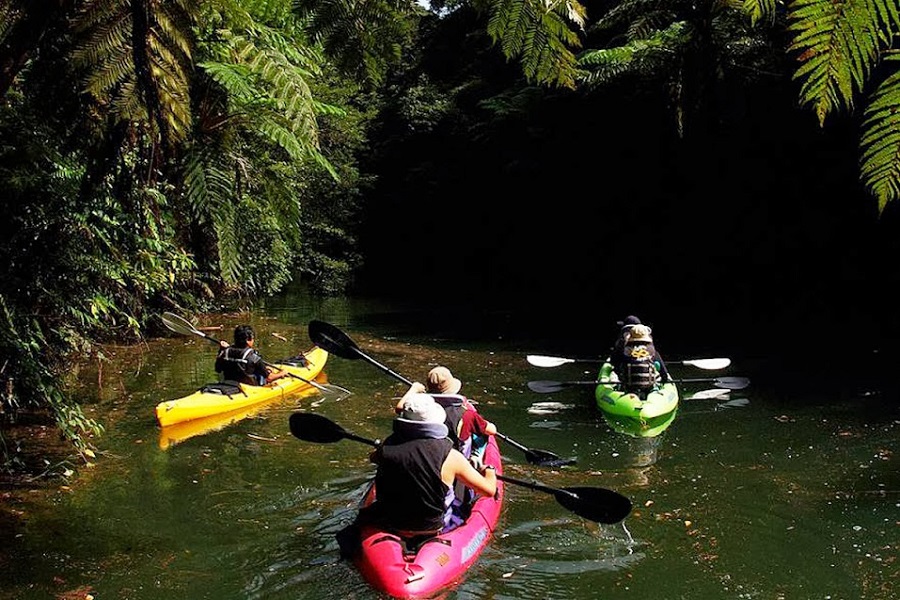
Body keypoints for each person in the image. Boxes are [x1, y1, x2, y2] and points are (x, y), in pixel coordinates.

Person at [339, 392, 496, 554]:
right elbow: (488, 491)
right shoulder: (451, 456)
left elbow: (374, 458)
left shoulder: (386, 447)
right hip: (431, 529)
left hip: (391, 523)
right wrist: (489, 472)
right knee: (462, 496)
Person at [399, 366, 497, 458]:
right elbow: (492, 430)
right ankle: (475, 457)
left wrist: (414, 389)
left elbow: (400, 408)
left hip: (429, 454)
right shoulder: (467, 414)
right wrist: (486, 423)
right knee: (482, 436)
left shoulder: (421, 411)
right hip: (457, 459)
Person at [214, 324, 287, 386]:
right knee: (265, 375)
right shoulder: (253, 357)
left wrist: (221, 350)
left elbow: (218, 369)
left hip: (229, 384)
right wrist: (282, 373)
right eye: (252, 338)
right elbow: (269, 378)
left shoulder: (225, 352)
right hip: (249, 388)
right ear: (248, 340)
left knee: (266, 370)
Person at [609, 322, 671, 393]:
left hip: (629, 388)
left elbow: (616, 366)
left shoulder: (624, 351)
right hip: (649, 387)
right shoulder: (653, 352)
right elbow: (663, 373)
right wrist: (664, 381)